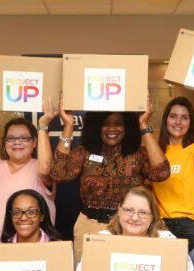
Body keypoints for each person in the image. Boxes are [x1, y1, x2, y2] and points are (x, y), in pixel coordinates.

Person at [50, 97, 170, 261]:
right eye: (105, 123)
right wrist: (69, 126)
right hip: (89, 225)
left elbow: (162, 173)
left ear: (127, 126)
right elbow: (58, 173)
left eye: (118, 123)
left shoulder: (138, 154)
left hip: (127, 227)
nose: (111, 128)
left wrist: (143, 125)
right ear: (96, 127)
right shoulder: (84, 152)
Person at [0, 99, 56, 243]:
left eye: (23, 138)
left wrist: (43, 126)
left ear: (34, 143)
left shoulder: (39, 166)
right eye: (11, 138)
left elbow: (45, 170)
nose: (16, 142)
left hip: (32, 250)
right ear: (5, 143)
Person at [151, 87, 194, 248]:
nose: (178, 122)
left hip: (191, 224)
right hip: (160, 225)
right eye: (173, 116)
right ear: (165, 120)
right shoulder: (156, 152)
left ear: (190, 123)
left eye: (184, 118)